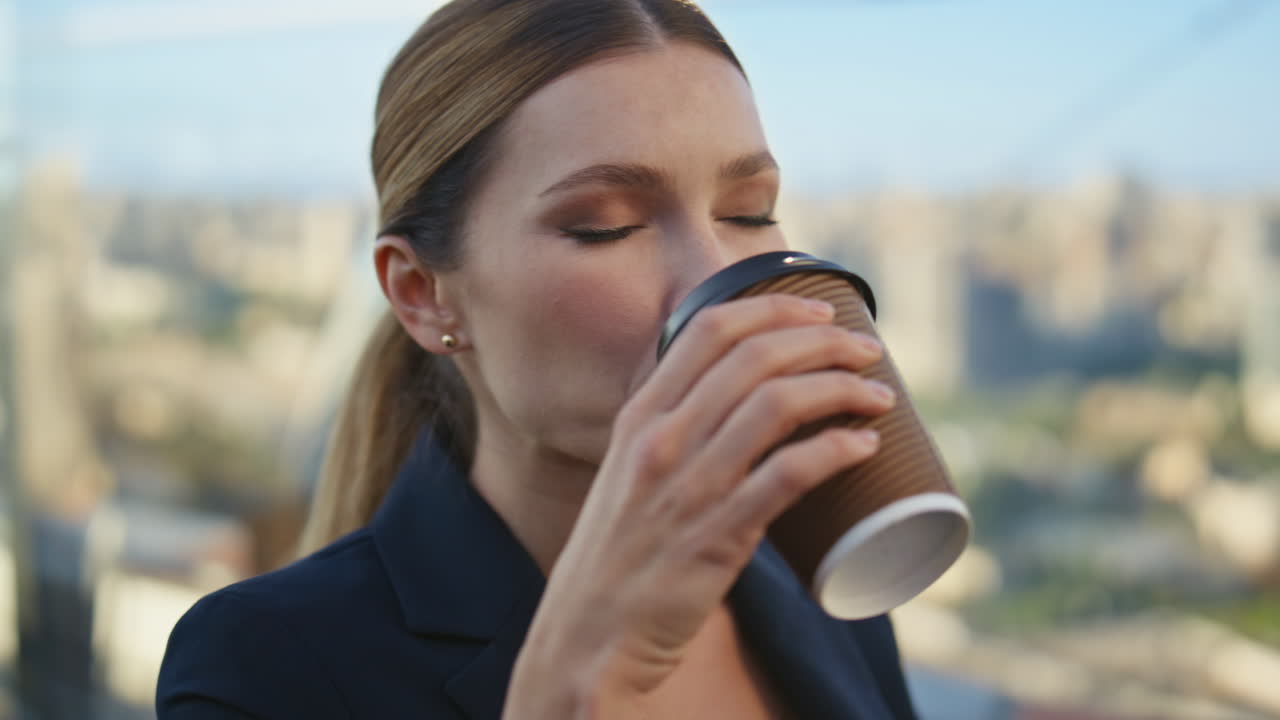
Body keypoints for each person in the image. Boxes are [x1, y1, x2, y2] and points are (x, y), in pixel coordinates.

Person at [157, 0, 917, 717]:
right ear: (423, 294)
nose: (713, 276)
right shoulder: (264, 666)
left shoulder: (817, 581)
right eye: (606, 228)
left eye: (748, 213)